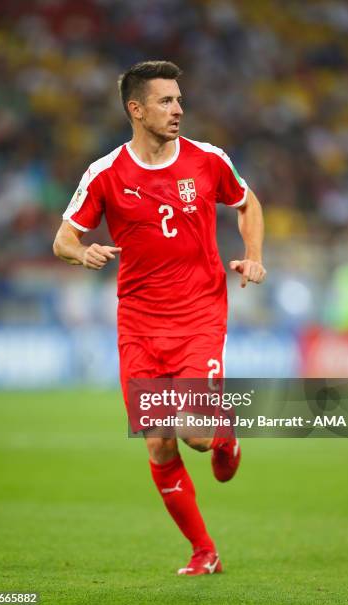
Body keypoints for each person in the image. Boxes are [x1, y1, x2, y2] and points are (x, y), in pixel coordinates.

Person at [53, 60, 266, 576]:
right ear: (136, 109)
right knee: (157, 440)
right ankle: (204, 551)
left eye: (179, 99)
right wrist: (83, 255)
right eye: (166, 101)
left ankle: (224, 434)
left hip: (199, 314)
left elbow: (247, 202)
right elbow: (63, 239)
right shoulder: (105, 173)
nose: (178, 109)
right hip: (138, 324)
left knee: (194, 433)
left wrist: (253, 254)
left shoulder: (206, 159)